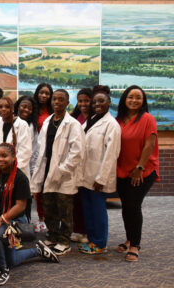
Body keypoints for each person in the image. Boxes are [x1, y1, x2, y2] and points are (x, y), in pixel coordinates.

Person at [0, 143, 59, 286]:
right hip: (2, 222)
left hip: (15, 223)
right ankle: (38, 250)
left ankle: (3, 270)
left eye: (4, 156)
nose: (0, 159)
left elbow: (21, 206)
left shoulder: (20, 178)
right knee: (12, 260)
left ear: (13, 157)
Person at [30, 89, 85, 256]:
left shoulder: (73, 124)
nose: (56, 102)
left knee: (65, 210)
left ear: (67, 103)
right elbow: (41, 149)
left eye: (61, 100)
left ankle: (64, 241)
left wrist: (62, 170)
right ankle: (53, 235)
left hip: (64, 175)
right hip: (47, 172)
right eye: (55, 99)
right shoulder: (48, 121)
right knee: (49, 207)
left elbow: (77, 152)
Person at [115, 85, 159, 262]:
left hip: (142, 171)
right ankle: (129, 238)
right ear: (125, 100)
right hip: (122, 170)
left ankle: (135, 245)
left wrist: (139, 168)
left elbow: (149, 144)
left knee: (133, 205)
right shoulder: (118, 119)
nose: (134, 100)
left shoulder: (148, 118)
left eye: (138, 98)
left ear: (143, 102)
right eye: (130, 97)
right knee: (126, 206)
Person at [78, 85, 121, 255]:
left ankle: (100, 243)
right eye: (95, 101)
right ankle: (91, 239)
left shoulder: (112, 125)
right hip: (86, 175)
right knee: (88, 210)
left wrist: (101, 179)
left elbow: (111, 155)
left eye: (101, 101)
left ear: (109, 102)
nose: (97, 104)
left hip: (98, 178)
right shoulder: (92, 119)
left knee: (98, 212)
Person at [70, 88, 94, 244]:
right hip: (75, 165)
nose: (83, 104)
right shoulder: (73, 118)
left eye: (86, 100)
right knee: (76, 201)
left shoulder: (96, 118)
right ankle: (78, 230)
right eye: (80, 101)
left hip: (90, 164)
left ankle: (88, 232)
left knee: (89, 202)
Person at [0, 96, 32, 179]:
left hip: (18, 172)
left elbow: (25, 152)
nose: (3, 109)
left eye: (7, 107)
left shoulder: (22, 125)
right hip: (1, 171)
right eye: (0, 107)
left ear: (12, 108)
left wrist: (12, 170)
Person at [32, 83, 53, 233]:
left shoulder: (52, 112)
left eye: (47, 93)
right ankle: (40, 219)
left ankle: (49, 219)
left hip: (48, 153)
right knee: (36, 189)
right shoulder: (31, 110)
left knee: (47, 189)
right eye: (41, 92)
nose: (44, 96)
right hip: (33, 152)